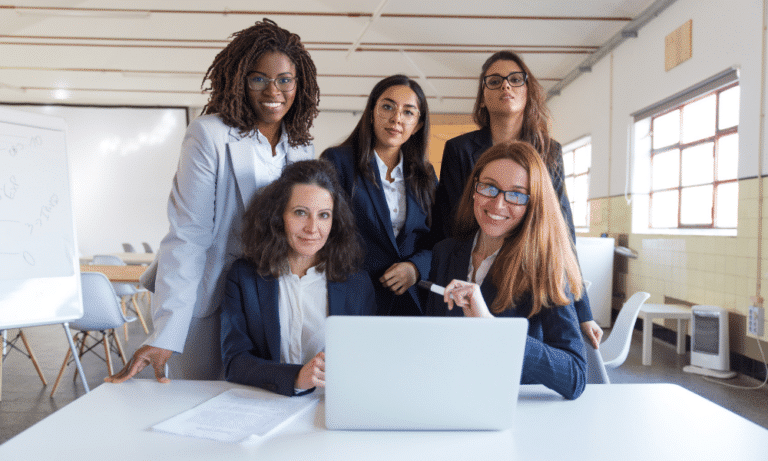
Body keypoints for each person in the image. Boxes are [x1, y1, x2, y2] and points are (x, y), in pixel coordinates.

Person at [106, 18, 320, 383]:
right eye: (259, 78)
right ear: (239, 79)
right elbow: (189, 235)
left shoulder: (301, 146)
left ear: (299, 85)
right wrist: (168, 332)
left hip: (269, 299)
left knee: (260, 399)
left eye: (285, 79)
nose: (274, 90)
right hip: (209, 298)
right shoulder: (208, 135)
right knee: (198, 404)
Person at [431, 51, 603, 348]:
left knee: (519, 352)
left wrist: (581, 309)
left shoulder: (549, 151)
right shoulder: (459, 149)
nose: (505, 87)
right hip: (471, 268)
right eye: (494, 82)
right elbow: (449, 221)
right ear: (482, 97)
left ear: (528, 92)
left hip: (526, 268)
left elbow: (563, 231)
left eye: (515, 80)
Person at [425, 141, 587, 400]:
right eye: (489, 187)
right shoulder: (445, 252)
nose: (498, 205)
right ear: (474, 190)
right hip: (448, 396)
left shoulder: (545, 267)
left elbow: (575, 376)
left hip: (511, 405)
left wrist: (493, 328)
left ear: (532, 205)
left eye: (516, 194)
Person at [220, 160, 376, 396]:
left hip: (332, 404)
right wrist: (295, 378)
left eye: (324, 215)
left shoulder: (357, 283)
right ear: (278, 216)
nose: (313, 228)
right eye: (301, 213)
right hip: (266, 401)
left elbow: (368, 361)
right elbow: (235, 362)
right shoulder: (244, 277)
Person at [321, 75, 436, 316]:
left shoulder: (425, 175)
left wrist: (415, 268)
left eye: (408, 112)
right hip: (353, 296)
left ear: (418, 125)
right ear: (372, 112)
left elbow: (439, 237)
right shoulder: (337, 161)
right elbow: (326, 233)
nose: (396, 118)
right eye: (387, 107)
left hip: (410, 301)